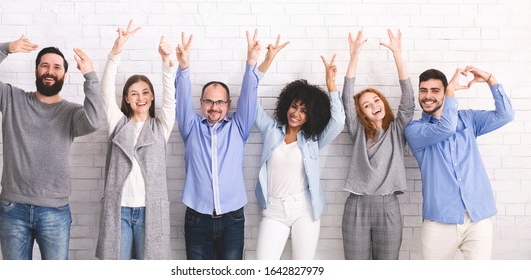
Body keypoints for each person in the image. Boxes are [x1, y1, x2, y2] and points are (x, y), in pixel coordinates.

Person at [0, 36, 104, 260]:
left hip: (55, 212)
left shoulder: (72, 113)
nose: (50, 71)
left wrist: (90, 75)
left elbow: (95, 120)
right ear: (36, 71)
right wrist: (5, 49)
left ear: (64, 75)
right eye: (45, 66)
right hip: (13, 209)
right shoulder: (12, 99)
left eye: (57, 67)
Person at [405, 66, 514, 259]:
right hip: (439, 220)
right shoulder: (415, 130)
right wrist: (450, 91)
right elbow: (446, 128)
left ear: (444, 93)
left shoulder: (468, 119)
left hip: (477, 217)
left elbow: (505, 115)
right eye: (423, 90)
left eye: (435, 90)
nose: (427, 96)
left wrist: (490, 78)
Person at [175, 30, 266, 260]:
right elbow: (181, 98)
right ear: (201, 103)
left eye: (220, 102)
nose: (214, 107)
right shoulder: (190, 126)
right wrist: (184, 68)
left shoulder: (238, 127)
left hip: (232, 219)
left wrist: (251, 62)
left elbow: (249, 96)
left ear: (228, 104)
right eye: (209, 101)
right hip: (197, 218)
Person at [254, 45, 345, 259]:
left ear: (311, 116)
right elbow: (250, 100)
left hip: (304, 208)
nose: (296, 113)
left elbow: (339, 121)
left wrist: (331, 85)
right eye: (294, 106)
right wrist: (266, 62)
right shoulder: (271, 130)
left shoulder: (313, 141)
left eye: (304, 111)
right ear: (287, 105)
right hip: (274, 209)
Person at [95, 20, 175, 260]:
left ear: (151, 97)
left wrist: (165, 62)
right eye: (134, 93)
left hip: (151, 211)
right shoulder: (117, 124)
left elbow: (170, 97)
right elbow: (105, 90)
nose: (140, 98)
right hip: (118, 210)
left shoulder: (161, 126)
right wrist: (116, 51)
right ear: (127, 99)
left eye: (145, 92)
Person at [340, 30, 414, 260]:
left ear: (382, 102)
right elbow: (346, 99)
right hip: (357, 206)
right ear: (361, 113)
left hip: (388, 205)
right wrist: (353, 57)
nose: (373, 105)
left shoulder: (397, 129)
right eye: (365, 105)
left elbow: (409, 99)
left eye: (375, 100)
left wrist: (398, 55)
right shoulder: (358, 131)